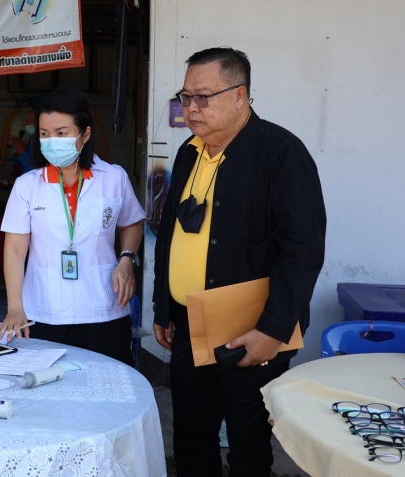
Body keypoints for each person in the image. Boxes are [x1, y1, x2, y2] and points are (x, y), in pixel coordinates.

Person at [152, 47, 326, 476]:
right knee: (192, 435)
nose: (192, 108)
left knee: (248, 444)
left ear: (239, 95)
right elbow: (170, 234)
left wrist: (273, 330)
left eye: (203, 97)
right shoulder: (189, 152)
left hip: (252, 329)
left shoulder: (281, 153)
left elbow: (302, 251)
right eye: (186, 96)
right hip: (190, 323)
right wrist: (162, 306)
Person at [0, 87, 145, 365]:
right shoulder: (27, 186)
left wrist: (126, 258)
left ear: (85, 134)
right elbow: (15, 250)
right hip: (45, 311)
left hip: (105, 309)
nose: (52, 141)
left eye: (61, 133)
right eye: (44, 134)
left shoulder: (114, 178)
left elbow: (131, 224)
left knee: (109, 382)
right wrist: (15, 308)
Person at [9, 109, 36, 176]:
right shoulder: (31, 139)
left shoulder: (43, 142)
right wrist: (19, 153)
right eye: (26, 121)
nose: (27, 124)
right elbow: (22, 167)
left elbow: (35, 169)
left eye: (29, 121)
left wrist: (23, 152)